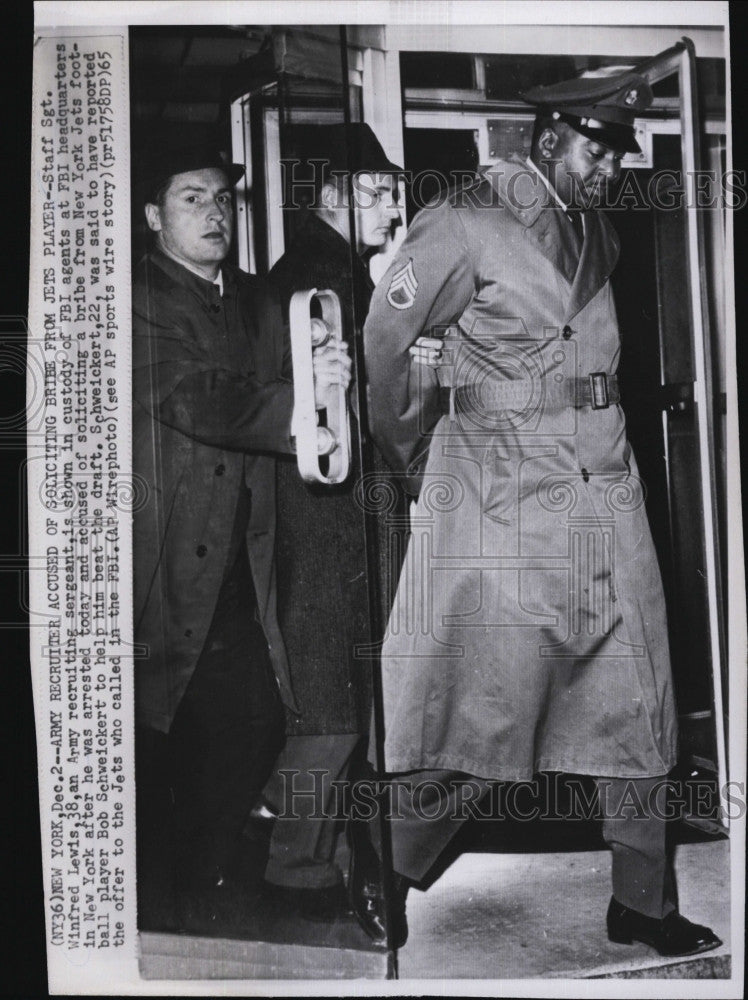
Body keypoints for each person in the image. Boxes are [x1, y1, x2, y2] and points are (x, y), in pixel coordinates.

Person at [362, 69, 722, 956]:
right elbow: (384, 343)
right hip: (502, 491)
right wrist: (418, 460)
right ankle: (382, 867)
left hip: (605, 480)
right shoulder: (464, 218)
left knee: (640, 696)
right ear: (549, 138)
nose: (609, 169)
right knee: (483, 704)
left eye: (616, 153)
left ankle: (639, 900)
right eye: (598, 150)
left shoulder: (597, 227)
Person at [131, 141, 350, 923]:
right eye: (193, 198)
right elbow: (196, 398)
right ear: (154, 216)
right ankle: (162, 903)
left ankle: (200, 884)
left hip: (240, 562)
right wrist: (303, 407)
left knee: (253, 722)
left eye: (224, 199)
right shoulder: (133, 298)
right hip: (161, 562)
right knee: (155, 737)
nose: (215, 212)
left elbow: (297, 373)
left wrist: (327, 371)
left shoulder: (260, 300)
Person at [258, 123, 403, 924]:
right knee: (333, 701)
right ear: (332, 198)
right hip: (327, 515)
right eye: (377, 193)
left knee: (339, 696)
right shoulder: (321, 278)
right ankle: (300, 870)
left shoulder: (328, 269)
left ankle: (315, 858)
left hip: (330, 510)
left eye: (392, 192)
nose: (392, 207)